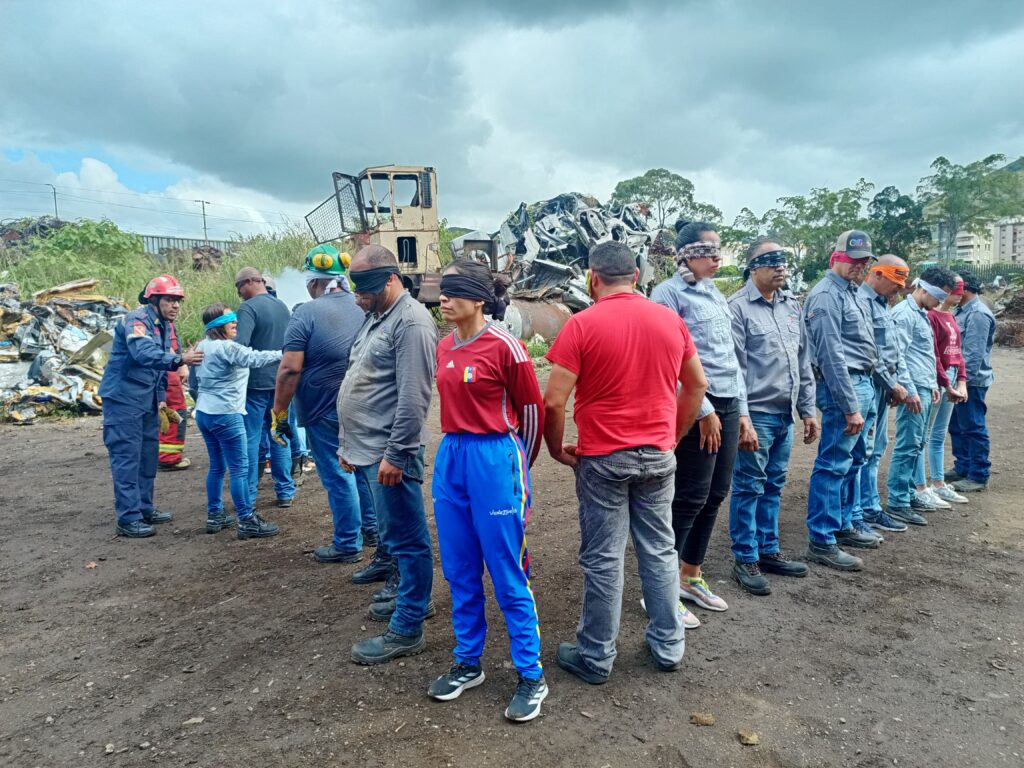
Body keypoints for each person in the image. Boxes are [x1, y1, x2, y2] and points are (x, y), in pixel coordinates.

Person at [544, 241, 708, 683]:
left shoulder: (581, 325)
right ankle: (669, 646)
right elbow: (697, 384)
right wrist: (672, 437)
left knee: (604, 557)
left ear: (592, 277)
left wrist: (556, 449)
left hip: (603, 459)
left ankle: (595, 656)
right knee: (660, 550)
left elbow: (554, 401)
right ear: (636, 276)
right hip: (658, 456)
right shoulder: (670, 320)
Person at [427, 260, 548, 722]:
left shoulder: (506, 346)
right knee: (459, 568)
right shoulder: (443, 346)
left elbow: (531, 412)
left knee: (506, 569)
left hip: (495, 459)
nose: (444, 298)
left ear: (479, 299)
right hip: (452, 456)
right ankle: (467, 662)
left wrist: (517, 469)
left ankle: (531, 674)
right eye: (442, 291)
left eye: (454, 291)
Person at [342, 245, 438, 666]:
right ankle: (413, 600)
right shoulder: (377, 316)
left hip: (390, 452)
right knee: (393, 533)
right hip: (369, 449)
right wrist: (348, 443)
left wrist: (396, 456)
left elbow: (414, 398)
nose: (357, 297)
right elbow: (359, 378)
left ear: (391, 279)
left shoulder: (411, 322)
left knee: (408, 538)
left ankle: (408, 626)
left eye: (364, 288)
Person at [650, 220, 743, 626]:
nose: (717, 258)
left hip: (729, 400)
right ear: (686, 255)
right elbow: (667, 361)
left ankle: (691, 576)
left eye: (718, 250)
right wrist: (703, 411)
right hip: (696, 404)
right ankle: (661, 590)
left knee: (716, 492)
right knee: (689, 496)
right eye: (708, 251)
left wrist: (742, 411)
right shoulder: (668, 294)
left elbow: (730, 356)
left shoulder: (714, 294)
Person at [271, 245, 375, 563]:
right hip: (364, 404)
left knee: (338, 473)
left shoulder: (305, 313)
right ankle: (371, 529)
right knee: (362, 467)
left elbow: (289, 369)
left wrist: (279, 413)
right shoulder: (364, 307)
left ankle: (347, 543)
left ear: (314, 282)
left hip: (323, 407)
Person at [727, 239, 818, 596]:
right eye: (771, 261)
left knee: (774, 484)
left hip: (785, 414)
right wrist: (743, 418)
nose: (780, 267)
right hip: (757, 414)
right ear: (752, 268)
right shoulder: (737, 308)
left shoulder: (791, 306)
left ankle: (768, 550)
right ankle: (746, 557)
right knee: (749, 485)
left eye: (783, 261)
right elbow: (734, 369)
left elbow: (803, 361)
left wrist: (808, 409)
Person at [99, 274, 202, 538]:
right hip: (123, 400)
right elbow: (143, 354)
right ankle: (128, 518)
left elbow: (157, 370)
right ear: (153, 300)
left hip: (146, 401)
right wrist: (180, 359)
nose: (176, 305)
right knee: (127, 458)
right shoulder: (137, 320)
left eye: (178, 300)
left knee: (147, 457)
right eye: (169, 299)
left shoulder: (165, 325)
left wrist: (161, 399)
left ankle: (144, 508)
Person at [803, 230, 878, 571]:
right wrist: (850, 406)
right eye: (852, 260)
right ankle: (822, 539)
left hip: (863, 380)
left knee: (855, 459)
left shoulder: (853, 291)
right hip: (843, 386)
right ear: (835, 257)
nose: (859, 266)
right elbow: (830, 355)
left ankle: (842, 523)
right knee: (833, 463)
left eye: (864, 261)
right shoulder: (826, 295)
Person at [194, 304, 283, 538]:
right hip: (227, 415)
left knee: (217, 466)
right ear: (217, 325)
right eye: (229, 319)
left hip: (204, 413)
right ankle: (246, 520)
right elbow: (254, 358)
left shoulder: (202, 346)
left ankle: (215, 514)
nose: (235, 322)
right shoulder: (227, 347)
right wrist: (285, 353)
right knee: (239, 470)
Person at [885, 266, 959, 526]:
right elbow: (898, 357)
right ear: (925, 289)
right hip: (914, 390)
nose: (941, 302)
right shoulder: (904, 314)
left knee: (918, 443)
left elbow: (924, 355)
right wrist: (911, 390)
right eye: (939, 296)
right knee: (908, 445)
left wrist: (933, 384)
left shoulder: (921, 313)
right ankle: (898, 501)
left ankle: (907, 494)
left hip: (925, 387)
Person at [856, 256, 913, 536]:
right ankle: (859, 510)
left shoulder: (881, 304)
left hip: (883, 387)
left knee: (876, 448)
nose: (899, 289)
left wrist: (895, 384)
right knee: (862, 452)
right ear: (877, 274)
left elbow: (893, 351)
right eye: (895, 282)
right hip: (869, 385)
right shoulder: (861, 302)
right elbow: (869, 354)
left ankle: (869, 506)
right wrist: (892, 384)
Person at [234, 266, 295, 508]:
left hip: (255, 385)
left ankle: (249, 495)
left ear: (249, 281)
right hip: (282, 383)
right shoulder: (281, 305)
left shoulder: (247, 308)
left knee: (250, 439)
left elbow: (240, 347)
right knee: (279, 435)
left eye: (239, 287)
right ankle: (285, 491)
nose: (239, 293)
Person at [914, 276, 969, 507]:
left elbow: (958, 351)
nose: (961, 294)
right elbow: (934, 354)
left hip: (952, 376)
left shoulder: (951, 316)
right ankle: (920, 486)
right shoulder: (931, 316)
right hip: (938, 377)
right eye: (957, 290)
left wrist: (962, 381)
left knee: (938, 434)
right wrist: (946, 383)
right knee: (923, 436)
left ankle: (938, 482)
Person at [948, 271, 996, 492]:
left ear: (964, 289)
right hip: (960, 380)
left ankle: (978, 475)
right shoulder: (962, 310)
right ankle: (963, 467)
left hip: (971, 382)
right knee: (957, 426)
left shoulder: (977, 314)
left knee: (973, 427)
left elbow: (973, 355)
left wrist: (962, 382)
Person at [157, 311, 191, 471]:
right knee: (174, 413)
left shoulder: (158, 321)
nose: (176, 305)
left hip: (165, 369)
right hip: (166, 372)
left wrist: (180, 364)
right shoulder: (156, 323)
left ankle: (160, 455)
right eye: (170, 300)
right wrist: (180, 363)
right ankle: (169, 458)